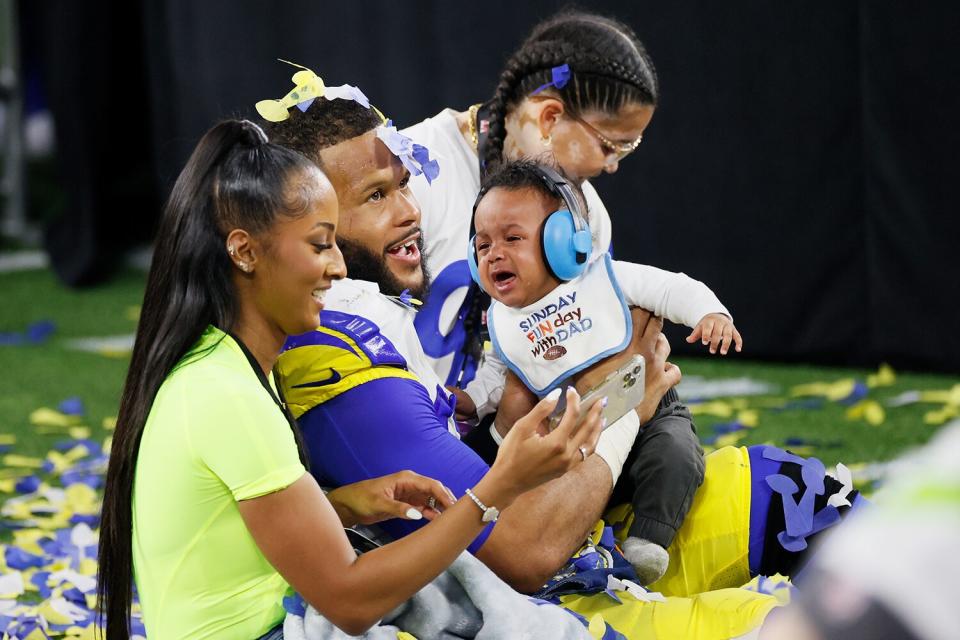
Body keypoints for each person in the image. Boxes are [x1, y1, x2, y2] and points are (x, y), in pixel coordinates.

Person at [261, 71, 866, 638]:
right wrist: (628, 394)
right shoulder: (334, 350)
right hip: (531, 603)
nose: (409, 211)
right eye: (374, 196)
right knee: (811, 623)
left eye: (403, 185)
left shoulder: (371, 313)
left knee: (792, 493)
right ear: (314, 227)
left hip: (567, 542)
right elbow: (522, 551)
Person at [95, 118, 605, 640]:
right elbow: (351, 601)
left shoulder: (224, 365)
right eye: (320, 245)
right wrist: (499, 487)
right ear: (245, 252)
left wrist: (342, 503)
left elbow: (236, 533)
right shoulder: (227, 393)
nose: (339, 268)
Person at [470, 159, 742, 583]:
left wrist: (710, 313)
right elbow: (494, 376)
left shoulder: (605, 280)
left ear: (564, 243)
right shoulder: (505, 320)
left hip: (651, 410)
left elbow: (671, 287)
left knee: (676, 454)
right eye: (483, 245)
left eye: (512, 238)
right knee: (548, 485)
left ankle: (648, 541)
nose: (494, 254)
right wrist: (466, 399)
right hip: (578, 436)